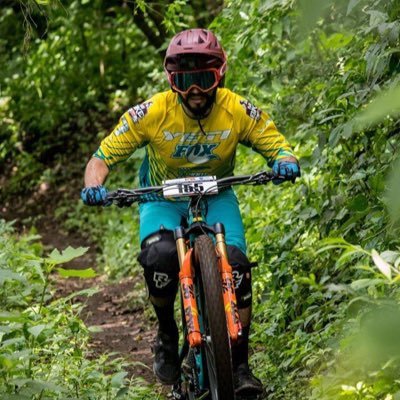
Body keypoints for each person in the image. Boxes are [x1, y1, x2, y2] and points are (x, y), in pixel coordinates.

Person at [81, 28, 300, 398]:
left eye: (203, 79)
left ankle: (240, 365)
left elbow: (280, 147)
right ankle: (167, 333)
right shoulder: (152, 112)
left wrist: (285, 162)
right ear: (172, 82)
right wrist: (94, 185)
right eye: (184, 81)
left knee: (237, 267)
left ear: (220, 76)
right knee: (161, 257)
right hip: (161, 199)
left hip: (217, 195)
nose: (194, 90)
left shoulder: (236, 109)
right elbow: (101, 158)